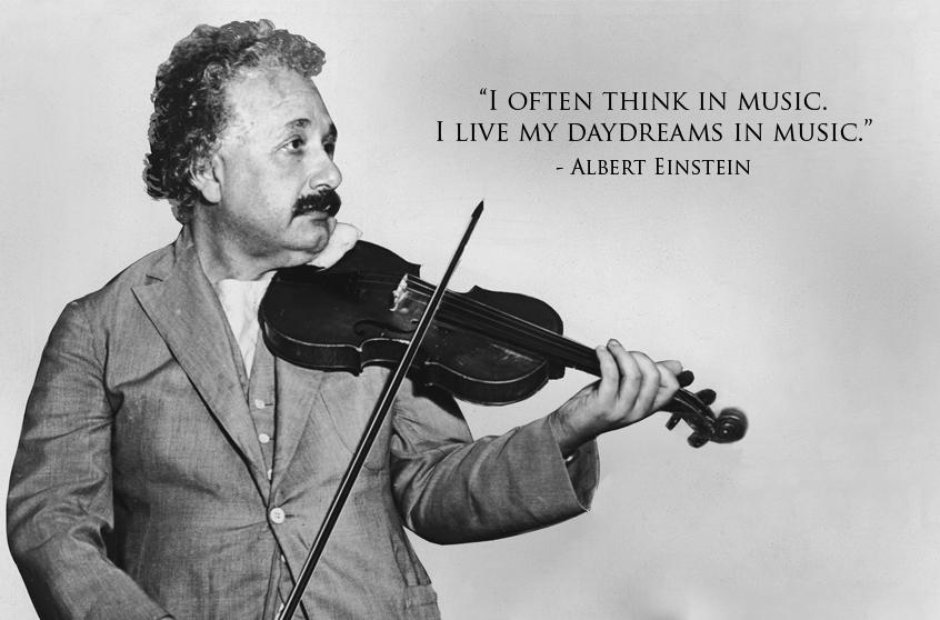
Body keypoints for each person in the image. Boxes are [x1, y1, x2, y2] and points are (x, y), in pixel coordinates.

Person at [7, 20, 682, 620]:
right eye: (295, 145)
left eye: (328, 143)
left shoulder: (378, 306)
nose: (330, 172)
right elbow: (50, 524)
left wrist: (567, 429)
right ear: (207, 171)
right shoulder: (99, 328)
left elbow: (434, 486)